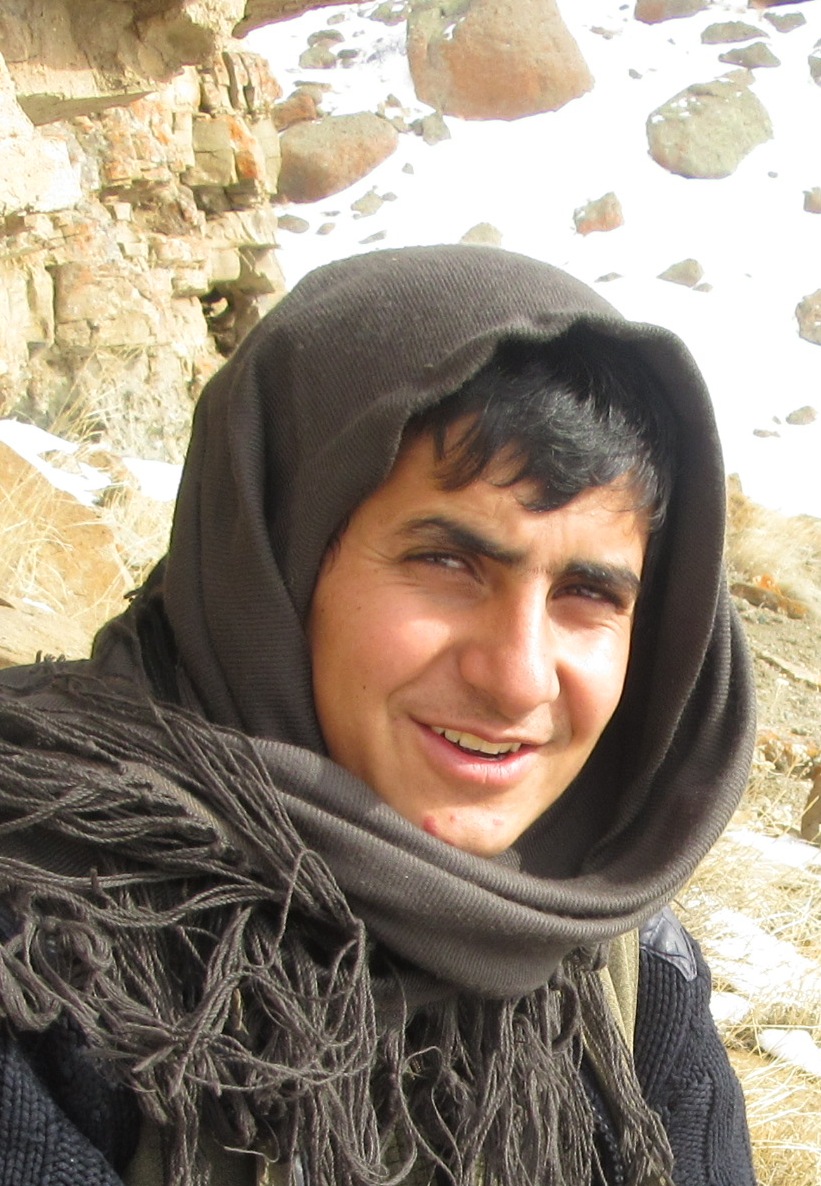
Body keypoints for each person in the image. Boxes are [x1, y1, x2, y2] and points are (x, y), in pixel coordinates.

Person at [0, 245, 756, 1186]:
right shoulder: (45, 936)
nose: (518, 679)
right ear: (275, 558)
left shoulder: (621, 965)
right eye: (445, 562)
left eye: (587, 593)